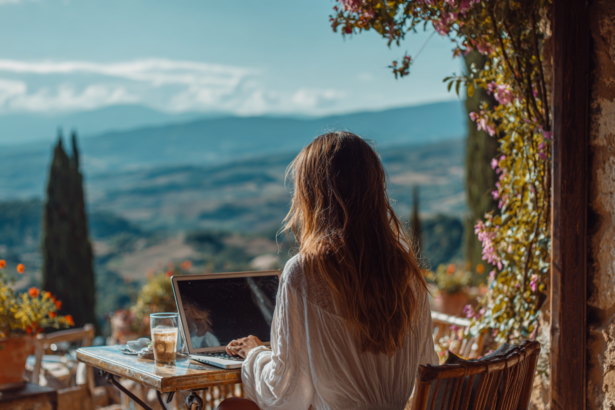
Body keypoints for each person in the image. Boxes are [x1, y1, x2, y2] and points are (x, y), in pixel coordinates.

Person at [220, 132, 437, 410]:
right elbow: (427, 368)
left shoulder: (304, 274)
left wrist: (255, 354)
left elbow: (285, 394)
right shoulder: (406, 274)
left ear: (312, 196)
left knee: (229, 407)